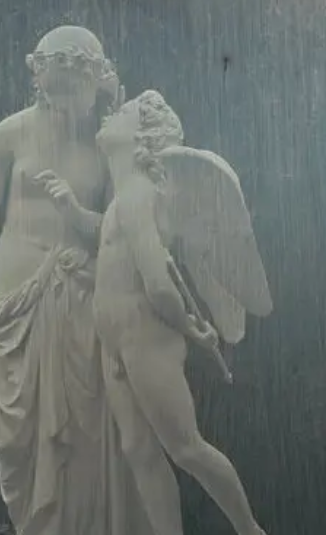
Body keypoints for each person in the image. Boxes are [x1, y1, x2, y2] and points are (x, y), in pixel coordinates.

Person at [0, 26, 149, 535]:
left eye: (75, 91)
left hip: (83, 301)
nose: (65, 104)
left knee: (87, 441)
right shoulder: (10, 133)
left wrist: (75, 211)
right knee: (19, 448)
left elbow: (120, 231)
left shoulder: (108, 146)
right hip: (12, 311)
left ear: (96, 83)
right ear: (38, 78)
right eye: (57, 90)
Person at [92, 89, 268, 535]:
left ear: (142, 136)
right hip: (115, 340)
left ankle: (250, 530)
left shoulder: (139, 193)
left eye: (124, 111)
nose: (111, 114)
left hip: (145, 334)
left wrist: (189, 327)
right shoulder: (124, 195)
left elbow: (157, 283)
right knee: (138, 449)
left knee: (186, 448)